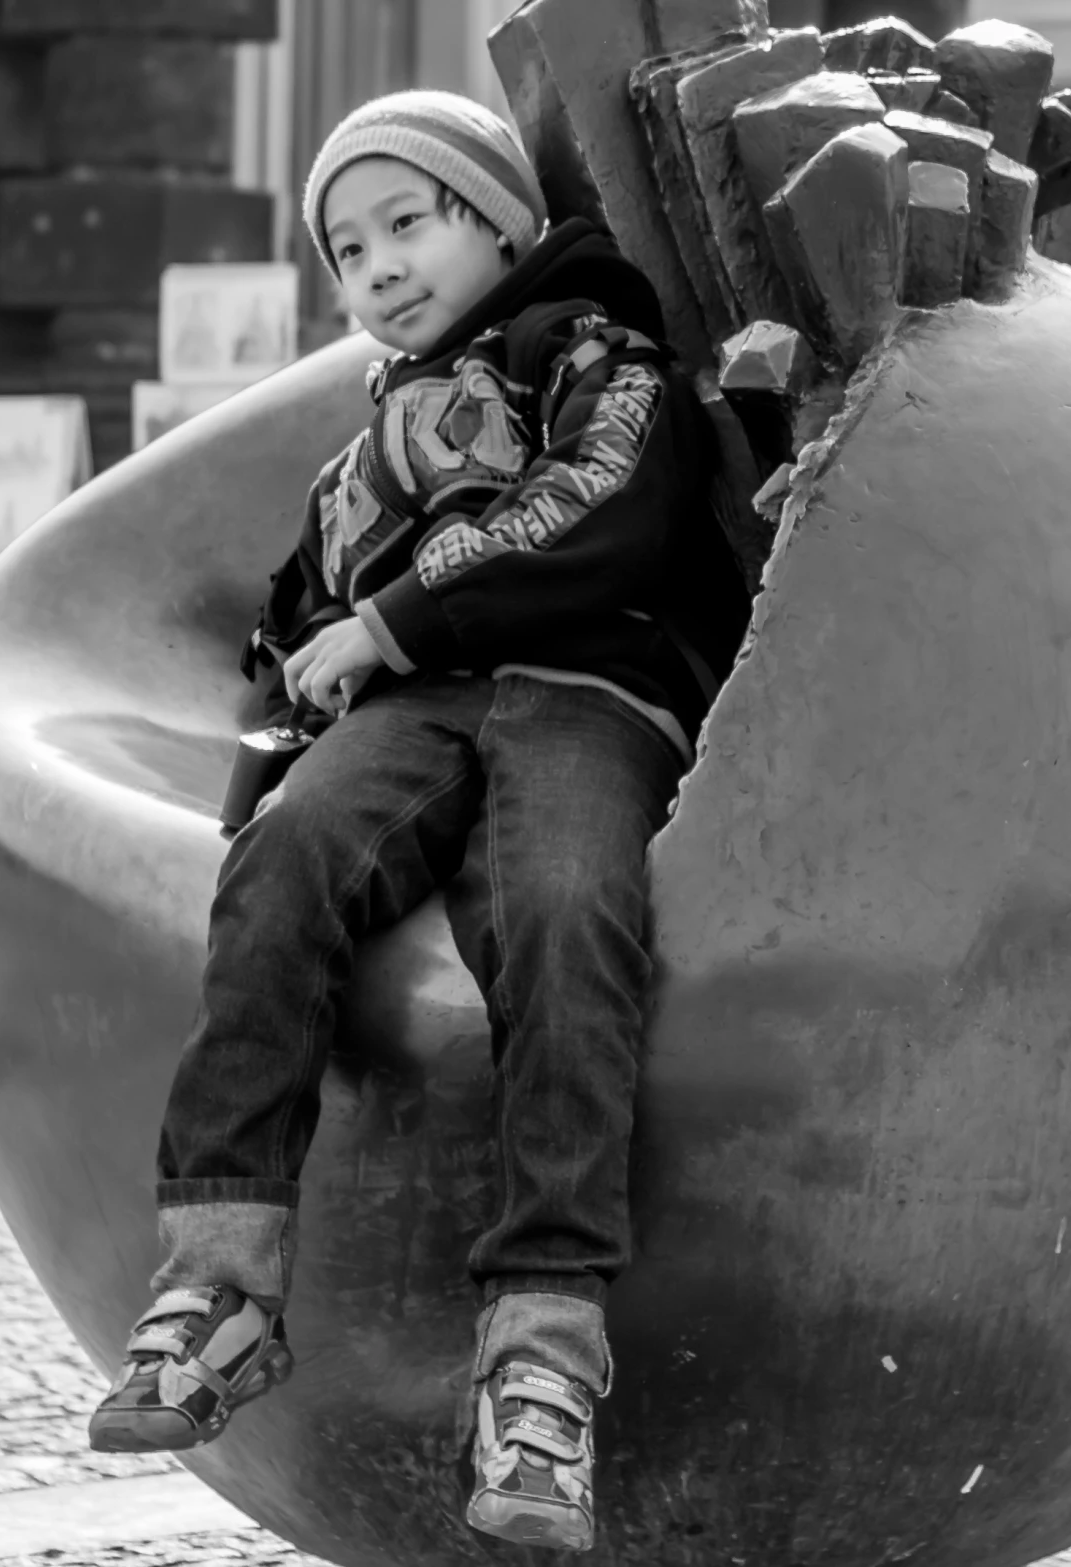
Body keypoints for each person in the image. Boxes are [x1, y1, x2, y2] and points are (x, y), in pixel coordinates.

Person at [83, 91, 752, 1552]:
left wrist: (392, 613)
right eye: (347, 246)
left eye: (410, 220)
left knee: (569, 913)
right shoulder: (364, 439)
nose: (377, 264)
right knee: (280, 865)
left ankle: (544, 1352)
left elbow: (606, 506)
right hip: (411, 713)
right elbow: (297, 624)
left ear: (502, 218)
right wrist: (314, 656)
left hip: (590, 693)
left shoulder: (591, 347)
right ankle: (219, 1277)